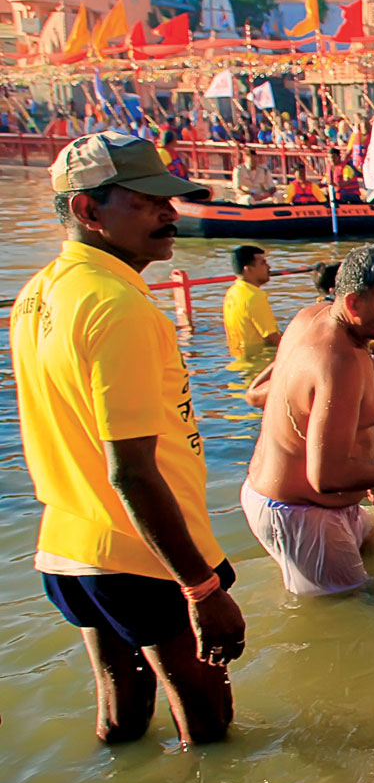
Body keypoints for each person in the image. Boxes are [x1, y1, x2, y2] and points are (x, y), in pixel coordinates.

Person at [10, 132, 246, 744]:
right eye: (147, 201)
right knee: (208, 725)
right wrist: (201, 587)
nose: (170, 213)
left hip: (68, 545)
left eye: (168, 198)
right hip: (143, 555)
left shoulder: (37, 295)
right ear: (88, 209)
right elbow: (133, 470)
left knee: (121, 718)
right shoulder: (120, 308)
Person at [242, 245, 374, 596]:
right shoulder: (339, 362)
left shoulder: (310, 317)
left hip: (302, 501)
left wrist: (363, 470)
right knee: (352, 611)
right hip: (302, 514)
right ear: (354, 304)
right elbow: (326, 477)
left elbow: (264, 391)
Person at [222, 244, 281, 374]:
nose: (269, 267)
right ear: (248, 269)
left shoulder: (232, 292)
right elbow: (272, 337)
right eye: (263, 263)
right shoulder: (254, 297)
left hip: (239, 365)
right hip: (259, 367)